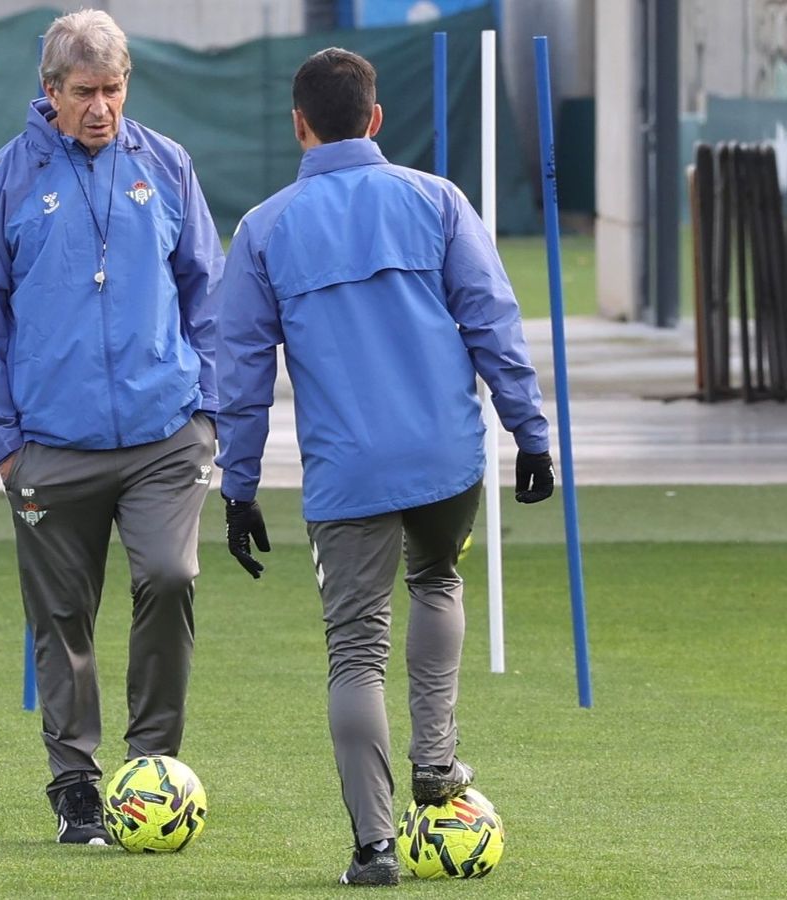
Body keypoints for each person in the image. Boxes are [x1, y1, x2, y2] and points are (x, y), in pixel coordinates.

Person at [214, 48, 555, 886]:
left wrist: (239, 488)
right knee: (437, 582)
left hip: (348, 474)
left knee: (355, 651)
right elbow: (494, 324)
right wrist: (531, 434)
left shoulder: (264, 229)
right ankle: (436, 763)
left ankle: (373, 850)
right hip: (447, 456)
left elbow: (242, 377)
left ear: (299, 126)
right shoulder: (437, 200)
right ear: (375, 118)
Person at [0, 10, 223, 846]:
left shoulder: (167, 165)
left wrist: (209, 411)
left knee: (170, 576)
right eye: (84, 92)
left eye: (114, 89)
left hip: (164, 435)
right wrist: (4, 446)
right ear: (50, 91)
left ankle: (152, 767)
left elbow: (208, 295)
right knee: (62, 616)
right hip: (48, 447)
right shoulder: (2, 183)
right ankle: (74, 783)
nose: (102, 107)